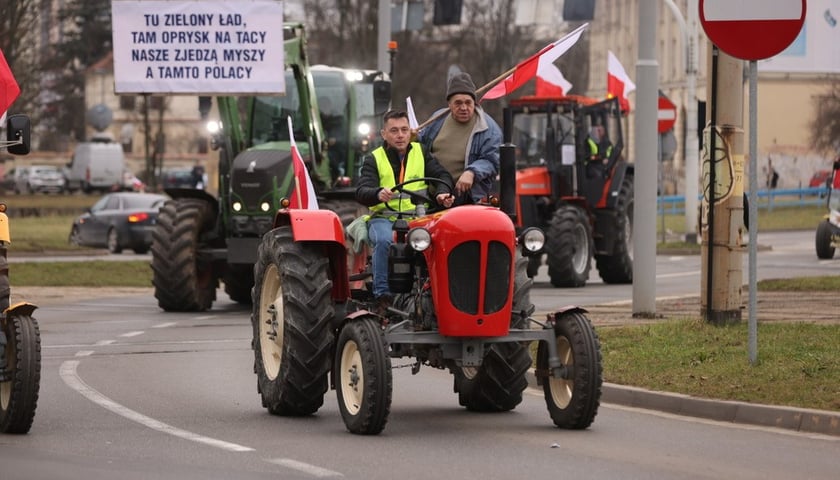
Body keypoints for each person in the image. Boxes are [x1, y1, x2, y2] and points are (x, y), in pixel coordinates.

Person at [356, 110, 455, 307]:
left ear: (410, 132)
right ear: (384, 134)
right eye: (394, 131)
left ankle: (438, 292)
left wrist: (442, 193)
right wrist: (377, 193)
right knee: (384, 240)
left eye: (404, 130)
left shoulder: (421, 152)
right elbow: (362, 190)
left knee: (441, 241)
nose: (400, 135)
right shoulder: (374, 159)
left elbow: (443, 176)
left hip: (418, 218)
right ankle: (383, 295)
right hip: (384, 217)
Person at [418, 72, 502, 205]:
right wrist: (411, 137)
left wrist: (472, 172)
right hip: (431, 195)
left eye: (468, 103)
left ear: (475, 102)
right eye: (458, 103)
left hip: (465, 199)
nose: (464, 108)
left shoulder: (489, 129)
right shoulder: (437, 119)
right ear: (449, 104)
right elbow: (420, 146)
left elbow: (492, 161)